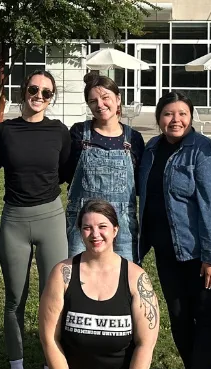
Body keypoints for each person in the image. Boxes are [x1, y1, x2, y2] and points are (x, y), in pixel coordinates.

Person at [39, 200, 159, 369]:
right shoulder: (63, 274)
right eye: (87, 228)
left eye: (102, 226)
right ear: (79, 232)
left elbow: (145, 344)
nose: (95, 234)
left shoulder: (136, 278)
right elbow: (50, 339)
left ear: (115, 230)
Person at [137, 91, 211, 369]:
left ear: (191, 117)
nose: (175, 120)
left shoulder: (202, 151)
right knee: (178, 316)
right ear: (158, 117)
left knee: (204, 316)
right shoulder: (150, 149)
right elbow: (146, 202)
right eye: (168, 114)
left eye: (182, 114)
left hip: (201, 253)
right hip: (167, 250)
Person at [0, 70, 70, 369]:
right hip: (15, 222)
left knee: (54, 300)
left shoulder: (60, 132)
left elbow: (65, 171)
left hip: (51, 218)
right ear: (24, 92)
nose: (39, 96)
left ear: (52, 98)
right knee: (14, 300)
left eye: (46, 93)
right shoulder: (4, 131)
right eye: (34, 89)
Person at [62, 73, 144, 263]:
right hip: (82, 222)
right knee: (78, 274)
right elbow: (66, 173)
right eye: (93, 101)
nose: (100, 104)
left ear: (118, 99)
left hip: (122, 224)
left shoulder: (134, 139)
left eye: (105, 97)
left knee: (125, 275)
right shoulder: (78, 133)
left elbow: (139, 183)